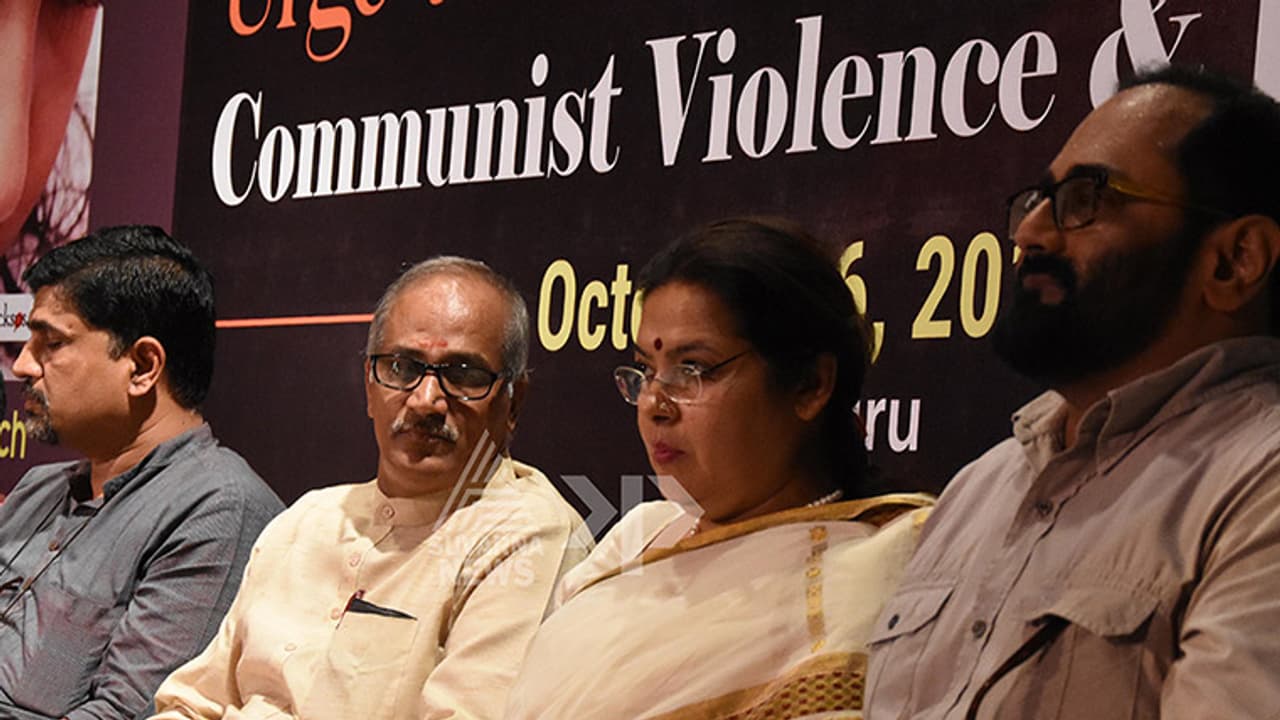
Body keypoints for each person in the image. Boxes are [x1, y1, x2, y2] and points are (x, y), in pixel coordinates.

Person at [864, 65, 1280, 720]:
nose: (1028, 234)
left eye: (1087, 200)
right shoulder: (978, 488)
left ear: (1234, 261)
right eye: (1039, 200)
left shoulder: (1260, 484)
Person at [505, 218, 932, 719]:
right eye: (646, 371)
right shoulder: (640, 536)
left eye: (694, 370)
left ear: (810, 385)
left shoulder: (881, 564)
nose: (654, 404)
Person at [153, 256, 592, 719]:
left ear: (513, 404)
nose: (425, 400)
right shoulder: (307, 519)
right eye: (402, 367)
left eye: (463, 374)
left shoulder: (528, 535)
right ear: (368, 384)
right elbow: (192, 703)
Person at [0, 225, 284, 719]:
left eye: (51, 343)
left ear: (142, 366)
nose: (23, 365)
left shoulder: (220, 511)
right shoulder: (38, 487)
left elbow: (124, 713)